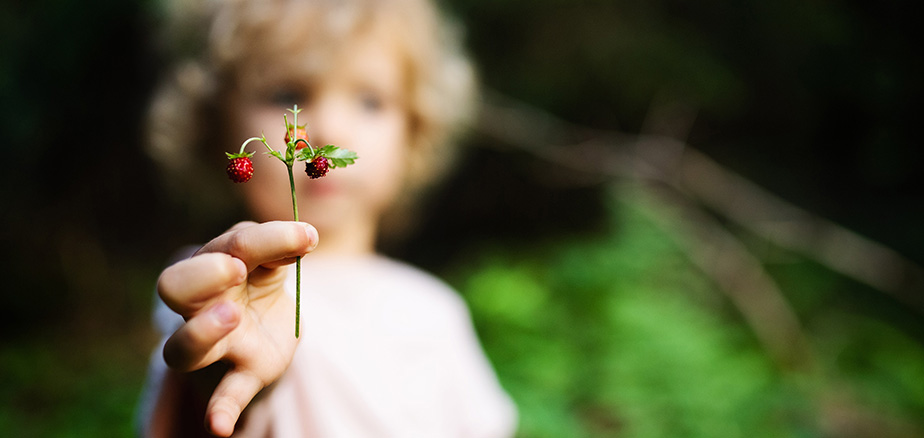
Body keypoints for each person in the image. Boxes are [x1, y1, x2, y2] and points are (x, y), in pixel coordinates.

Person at [137, 0, 517, 436]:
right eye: (289, 95)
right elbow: (198, 409)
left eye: (370, 101)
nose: (329, 131)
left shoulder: (437, 311)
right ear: (211, 121)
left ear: (416, 128)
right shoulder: (221, 286)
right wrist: (219, 370)